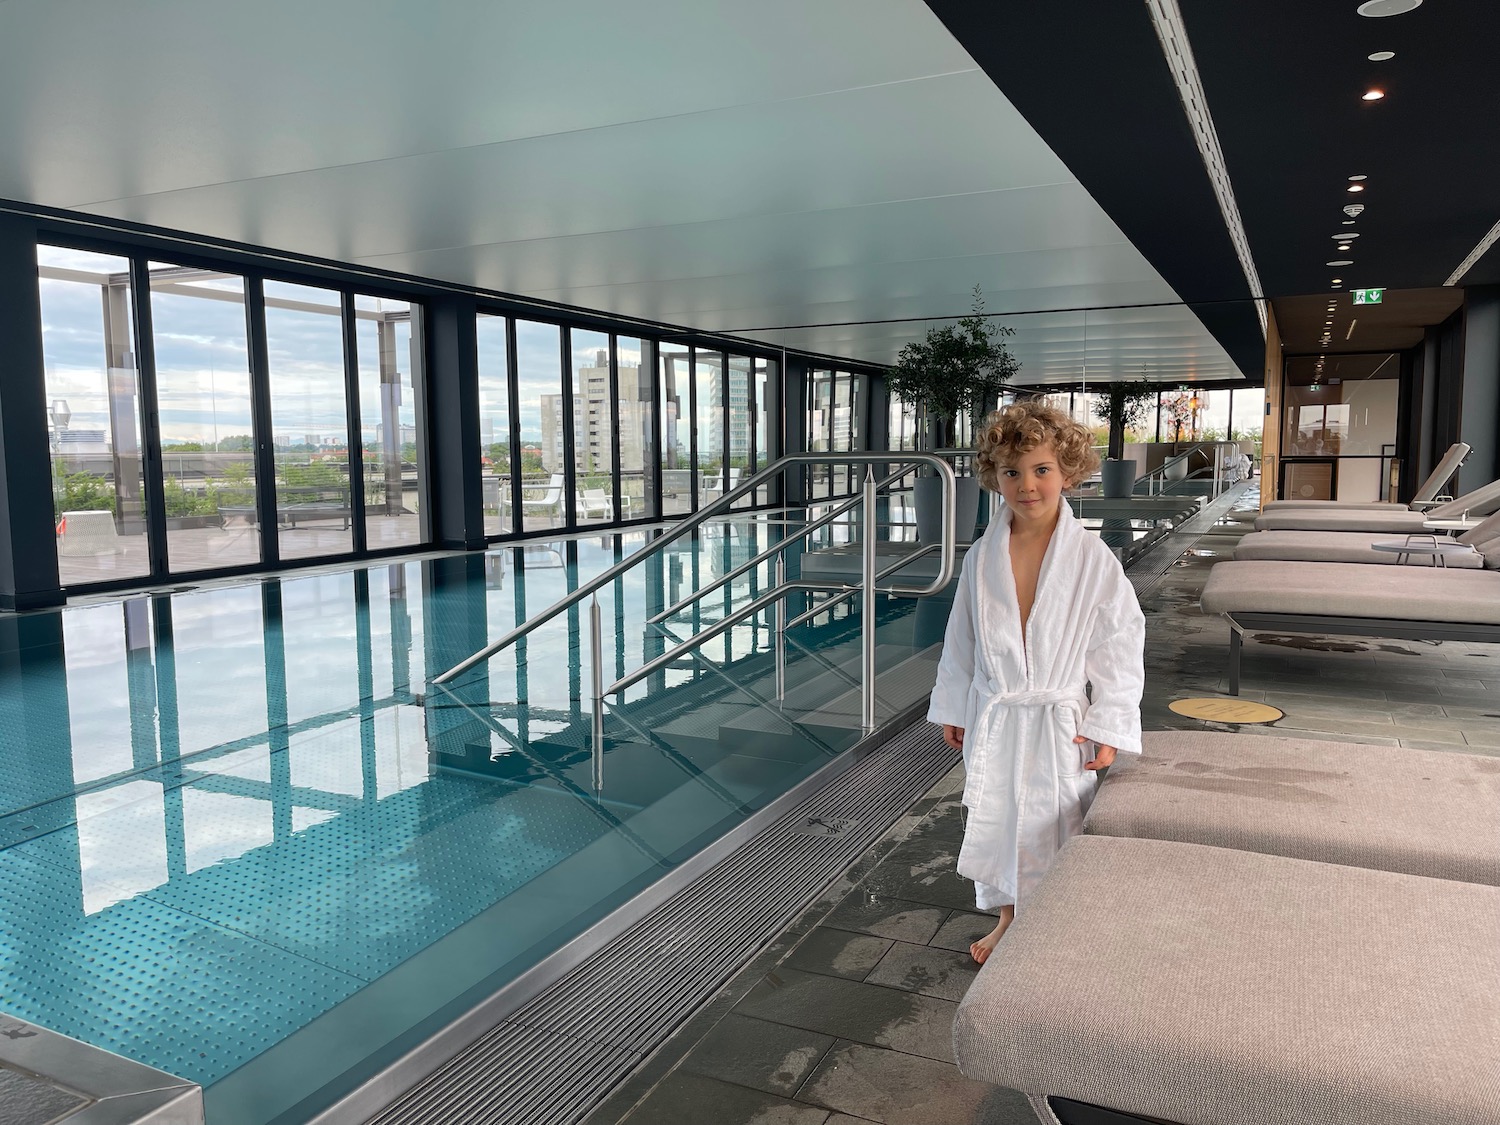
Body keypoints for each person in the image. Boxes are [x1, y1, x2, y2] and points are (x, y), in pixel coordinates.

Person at [928, 400, 1144, 964]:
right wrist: (955, 704)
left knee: (1058, 817)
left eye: (1041, 469)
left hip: (1059, 720)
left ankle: (1052, 922)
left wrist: (1109, 724)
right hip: (997, 709)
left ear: (1067, 472)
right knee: (999, 816)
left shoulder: (1092, 558)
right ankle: (1008, 918)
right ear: (994, 477)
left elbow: (1119, 644)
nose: (1027, 485)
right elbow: (963, 637)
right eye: (1012, 472)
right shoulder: (981, 556)